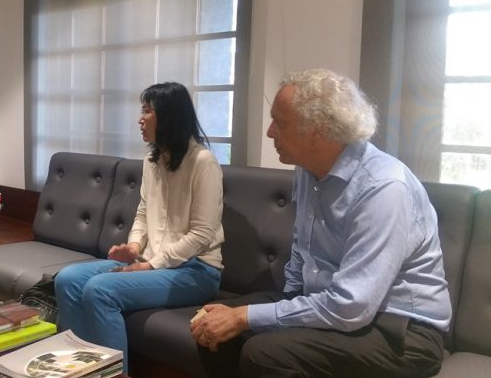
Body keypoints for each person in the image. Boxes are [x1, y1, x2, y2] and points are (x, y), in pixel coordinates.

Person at [191, 68, 451, 377]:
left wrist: (246, 317)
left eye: (279, 123)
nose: (270, 132)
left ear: (318, 130)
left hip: (402, 330)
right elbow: (303, 248)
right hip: (337, 306)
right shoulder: (307, 170)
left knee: (263, 353)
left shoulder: (382, 187)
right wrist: (284, 300)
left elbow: (351, 306)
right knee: (211, 325)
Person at [55, 82, 225, 368]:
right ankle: (81, 368)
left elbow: (202, 233)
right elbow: (144, 212)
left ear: (169, 116)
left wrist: (151, 264)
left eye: (147, 111)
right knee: (67, 279)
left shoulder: (203, 162)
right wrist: (134, 247)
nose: (140, 119)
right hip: (153, 261)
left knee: (100, 289)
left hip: (196, 271)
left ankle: (112, 373)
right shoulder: (152, 160)